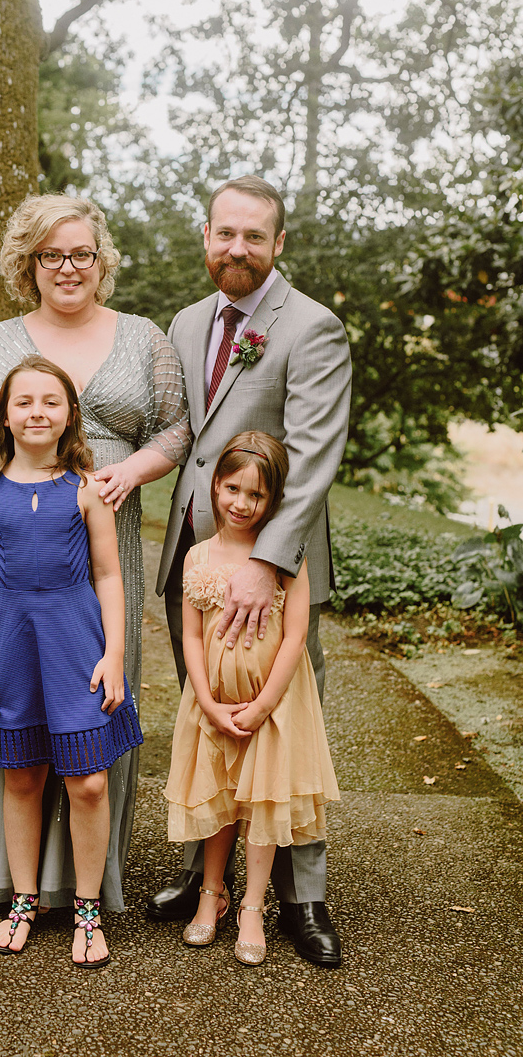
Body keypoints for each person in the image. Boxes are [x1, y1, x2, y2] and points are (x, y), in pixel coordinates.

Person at [0, 194, 189, 915]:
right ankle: (10, 873)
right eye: (50, 255)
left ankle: (84, 882)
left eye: (81, 252)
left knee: (92, 697)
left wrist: (133, 470)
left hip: (103, 521)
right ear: (29, 265)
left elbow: (177, 429)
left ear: (101, 261)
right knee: (8, 696)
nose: (68, 267)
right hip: (17, 542)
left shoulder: (144, 337)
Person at [147, 176, 351, 970]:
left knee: (284, 727)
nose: (238, 249)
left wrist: (270, 564)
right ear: (206, 235)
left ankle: (303, 895)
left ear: (278, 244)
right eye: (225, 233)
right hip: (194, 560)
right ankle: (212, 877)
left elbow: (314, 454)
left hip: (270, 568)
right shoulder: (189, 320)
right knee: (210, 718)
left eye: (254, 237)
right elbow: (185, 437)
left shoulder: (312, 326)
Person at [0, 356, 143, 966]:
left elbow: (109, 576)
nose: (38, 412)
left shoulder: (87, 491)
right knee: (23, 776)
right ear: (4, 418)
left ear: (69, 415)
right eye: (24, 402)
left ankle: (88, 909)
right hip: (9, 648)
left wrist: (115, 654)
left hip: (76, 645)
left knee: (87, 781)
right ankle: (24, 900)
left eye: (51, 402)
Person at [163, 432, 339, 965]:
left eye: (256, 496)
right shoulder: (197, 556)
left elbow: (295, 636)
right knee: (220, 801)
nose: (240, 503)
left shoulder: (286, 559)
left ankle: (253, 909)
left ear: (274, 501)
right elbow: (191, 635)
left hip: (273, 705)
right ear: (214, 484)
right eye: (231, 488)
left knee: (262, 804)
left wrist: (264, 705)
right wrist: (206, 701)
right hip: (214, 701)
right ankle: (211, 895)